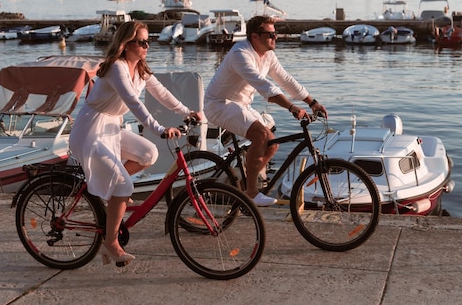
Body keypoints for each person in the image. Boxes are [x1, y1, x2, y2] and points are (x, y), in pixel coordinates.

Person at [69, 21, 201, 266]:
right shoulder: (116, 68)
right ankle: (110, 244)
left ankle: (113, 192)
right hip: (91, 131)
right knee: (123, 185)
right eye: (141, 42)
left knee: (148, 154)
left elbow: (161, 92)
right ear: (125, 44)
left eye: (148, 41)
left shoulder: (139, 69)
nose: (146, 46)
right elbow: (133, 102)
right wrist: (159, 129)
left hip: (112, 129)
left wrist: (187, 112)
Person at [204, 15, 327, 206]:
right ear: (255, 37)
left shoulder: (268, 55)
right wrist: (291, 107)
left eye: (275, 33)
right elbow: (264, 86)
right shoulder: (240, 54)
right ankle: (251, 193)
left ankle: (245, 186)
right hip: (219, 104)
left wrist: (312, 102)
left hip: (241, 105)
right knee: (260, 135)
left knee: (272, 143)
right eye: (270, 34)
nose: (275, 37)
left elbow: (285, 79)